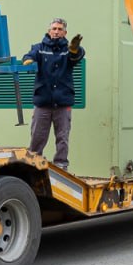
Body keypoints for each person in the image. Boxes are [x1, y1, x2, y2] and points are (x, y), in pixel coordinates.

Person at [22, 17, 85, 170]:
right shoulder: (39, 47)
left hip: (63, 103)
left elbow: (76, 57)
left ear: (65, 32)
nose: (56, 31)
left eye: (60, 29)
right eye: (54, 29)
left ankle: (61, 165)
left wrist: (75, 50)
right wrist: (28, 59)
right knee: (37, 136)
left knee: (62, 138)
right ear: (49, 31)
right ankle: (34, 165)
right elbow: (29, 55)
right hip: (43, 102)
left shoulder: (69, 50)